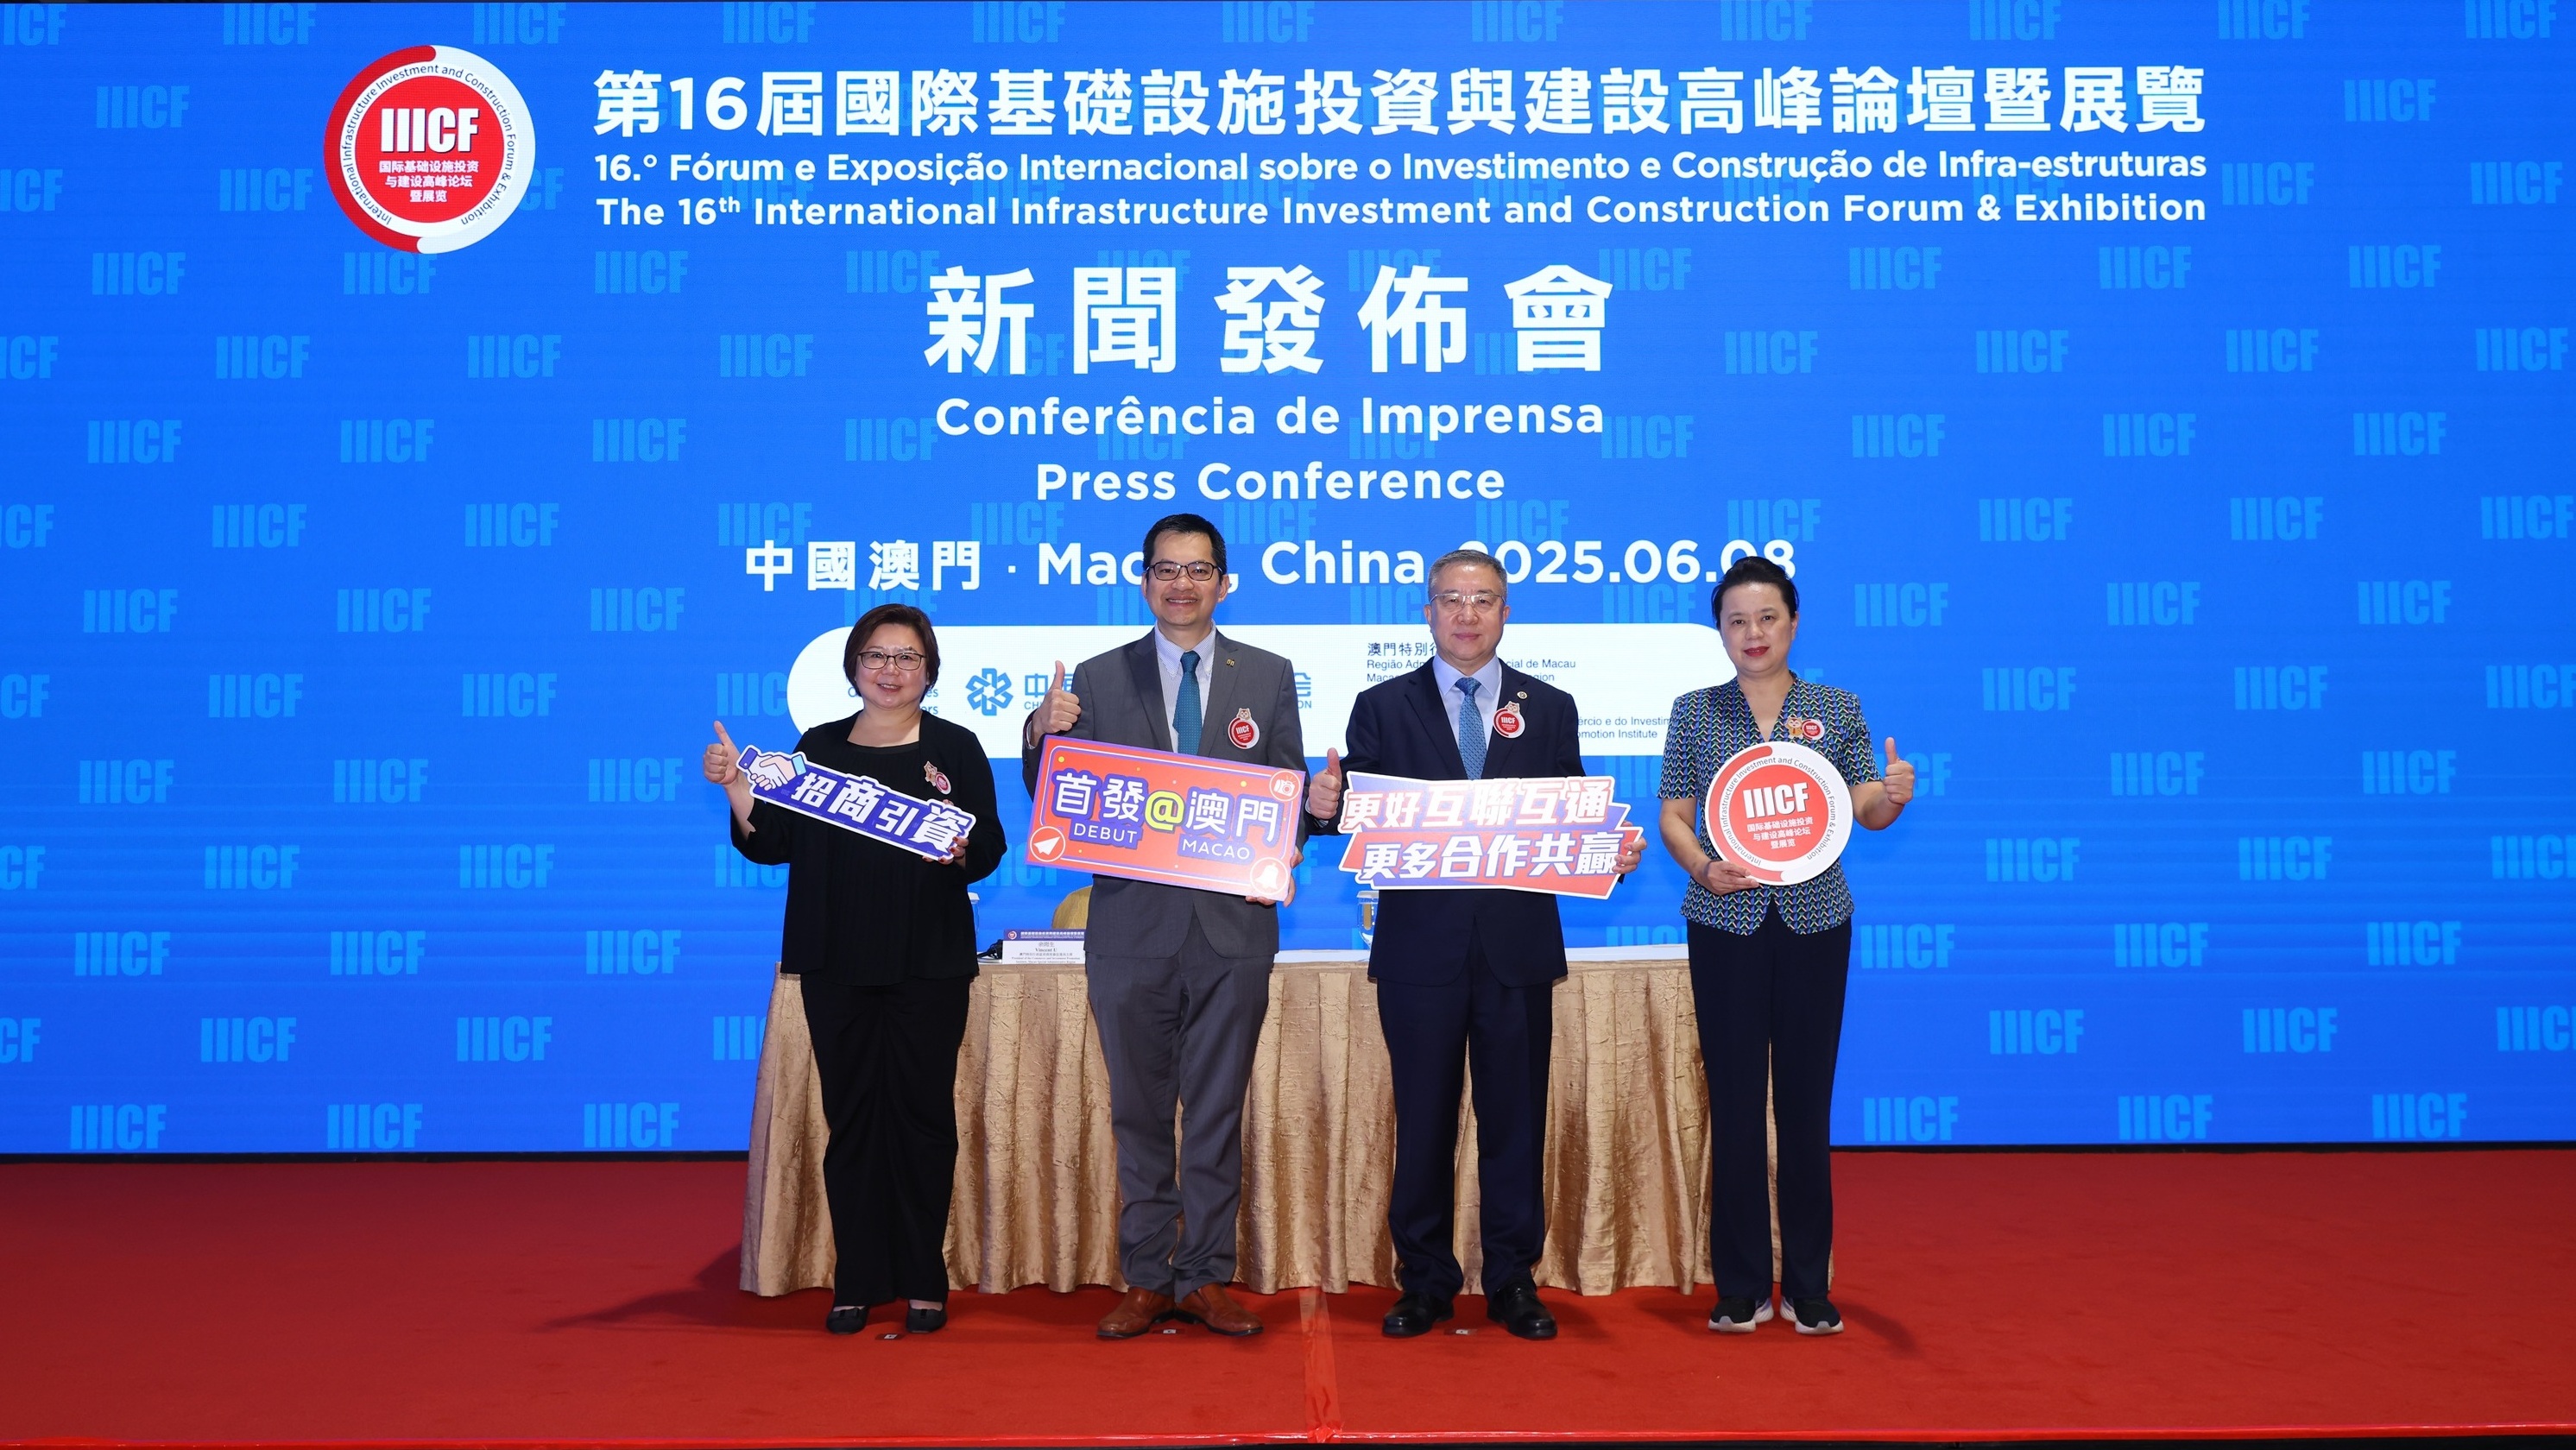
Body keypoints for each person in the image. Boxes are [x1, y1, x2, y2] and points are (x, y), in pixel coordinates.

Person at [1305, 549, 1644, 1342]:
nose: (1467, 614)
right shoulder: (1382, 705)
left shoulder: (1549, 706)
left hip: (1516, 952)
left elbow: (1570, 816)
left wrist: (1608, 851)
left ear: (1505, 611)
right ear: (1427, 611)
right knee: (1423, 1123)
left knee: (1515, 1124)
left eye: (1483, 599)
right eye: (1451, 599)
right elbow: (1355, 811)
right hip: (1419, 953)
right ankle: (1424, 1281)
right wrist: (1323, 806)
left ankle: (1512, 1280)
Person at [1020, 513, 1307, 1340]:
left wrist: (1306, 820)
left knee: (1216, 1114)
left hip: (1232, 932)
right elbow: (1054, 791)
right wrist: (1040, 732)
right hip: (1130, 929)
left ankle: (1206, 1276)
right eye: (1166, 570)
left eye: (1198, 569)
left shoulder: (1269, 674)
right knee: (1138, 1114)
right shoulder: (1097, 677)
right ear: (1143, 580)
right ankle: (1147, 1277)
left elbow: (1285, 789)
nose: (1182, 584)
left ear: (1224, 582)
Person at [704, 603, 1007, 1337]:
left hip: (928, 962)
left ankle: (924, 1277)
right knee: (854, 1121)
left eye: (906, 658)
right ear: (853, 668)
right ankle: (859, 1277)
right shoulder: (818, 747)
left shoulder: (957, 747)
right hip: (836, 958)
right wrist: (738, 786)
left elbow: (989, 846)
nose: (890, 670)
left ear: (929, 671)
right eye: (876, 656)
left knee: (924, 1120)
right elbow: (771, 842)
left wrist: (961, 850)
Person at [1657, 555, 1913, 1338]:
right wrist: (1703, 867)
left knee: (1805, 1105)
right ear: (1719, 630)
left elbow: (1864, 806)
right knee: (1736, 1107)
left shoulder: (1835, 708)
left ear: (1794, 623)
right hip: (1725, 922)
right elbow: (1674, 813)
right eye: (1736, 620)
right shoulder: (1695, 712)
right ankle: (1740, 1285)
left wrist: (1892, 797)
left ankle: (1806, 1284)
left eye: (1767, 617)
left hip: (1815, 923)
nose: (1753, 633)